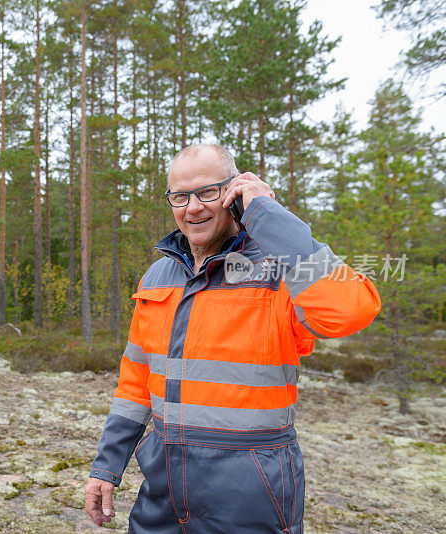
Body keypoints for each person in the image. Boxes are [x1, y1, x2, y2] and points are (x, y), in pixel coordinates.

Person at [84, 145, 381, 532]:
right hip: (162, 493)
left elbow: (352, 310)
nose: (193, 207)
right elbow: (135, 384)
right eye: (180, 196)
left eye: (208, 192)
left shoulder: (279, 269)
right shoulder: (158, 276)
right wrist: (107, 465)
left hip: (251, 495)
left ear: (235, 193)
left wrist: (266, 215)